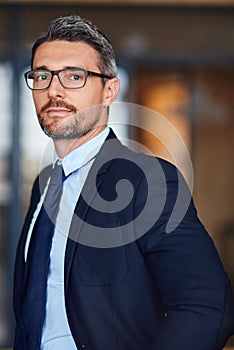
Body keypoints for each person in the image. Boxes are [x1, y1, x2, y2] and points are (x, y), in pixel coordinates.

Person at [13, 15, 234, 350]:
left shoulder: (148, 181)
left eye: (75, 76)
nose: (53, 90)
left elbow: (207, 306)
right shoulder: (44, 187)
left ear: (109, 91)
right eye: (42, 75)